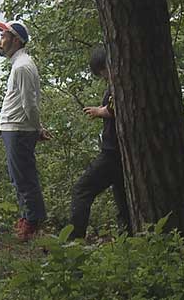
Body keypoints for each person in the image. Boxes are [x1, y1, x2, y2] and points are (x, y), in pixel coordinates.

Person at [0, 19, 51, 241]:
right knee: (18, 177)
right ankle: (28, 219)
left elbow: (30, 103)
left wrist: (36, 128)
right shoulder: (20, 65)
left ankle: (32, 223)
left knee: (24, 178)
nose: (0, 42)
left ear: (16, 40)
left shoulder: (23, 67)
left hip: (18, 129)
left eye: (3, 37)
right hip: (15, 128)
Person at [68, 46, 131, 240]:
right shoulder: (118, 81)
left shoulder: (118, 83)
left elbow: (117, 107)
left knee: (82, 190)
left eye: (102, 72)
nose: (103, 76)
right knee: (123, 200)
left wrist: (100, 111)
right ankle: (128, 238)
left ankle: (73, 240)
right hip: (123, 153)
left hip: (112, 153)